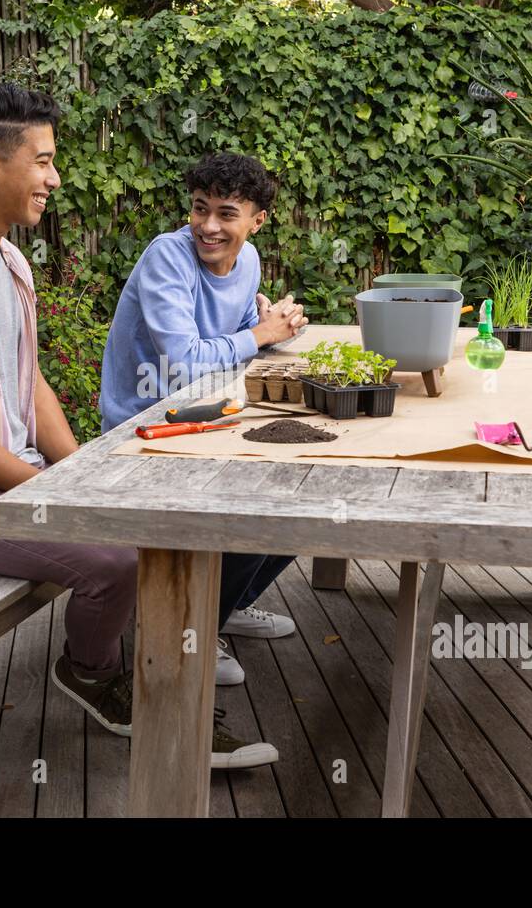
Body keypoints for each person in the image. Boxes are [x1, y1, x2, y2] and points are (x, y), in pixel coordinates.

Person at [0, 85, 276, 770]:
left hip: (9, 478)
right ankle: (96, 673)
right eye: (45, 160)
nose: (56, 177)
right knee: (116, 557)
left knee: (163, 515)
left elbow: (30, 384)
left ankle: (174, 679)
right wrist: (48, 492)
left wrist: (82, 469)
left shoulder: (12, 264)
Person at [100, 152, 309, 686]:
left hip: (210, 417)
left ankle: (228, 603)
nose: (208, 226)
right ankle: (192, 624)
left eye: (226, 213)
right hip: (144, 427)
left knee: (302, 494)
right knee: (248, 502)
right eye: (200, 209)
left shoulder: (250, 261)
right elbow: (183, 364)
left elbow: (234, 341)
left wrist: (268, 324)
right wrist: (260, 336)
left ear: (256, 220)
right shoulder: (167, 259)